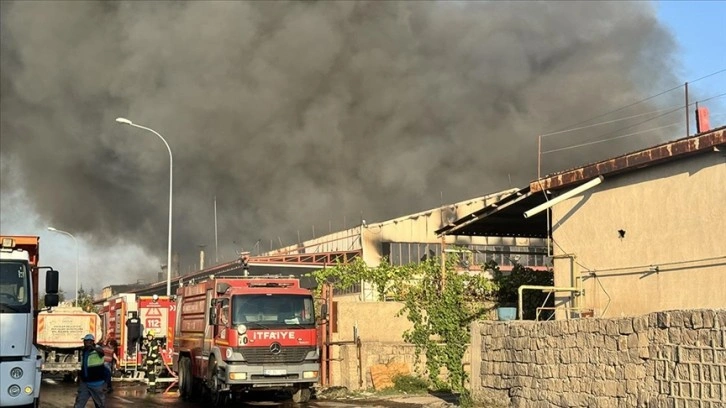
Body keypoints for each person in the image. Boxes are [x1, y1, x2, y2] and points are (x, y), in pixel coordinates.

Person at [74, 334, 107, 408]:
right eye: (84, 341)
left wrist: (93, 347)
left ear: (91, 342)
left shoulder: (97, 349)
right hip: (85, 383)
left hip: (96, 383)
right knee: (79, 403)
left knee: (100, 404)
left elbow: (102, 352)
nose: (84, 343)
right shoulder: (84, 350)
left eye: (86, 341)